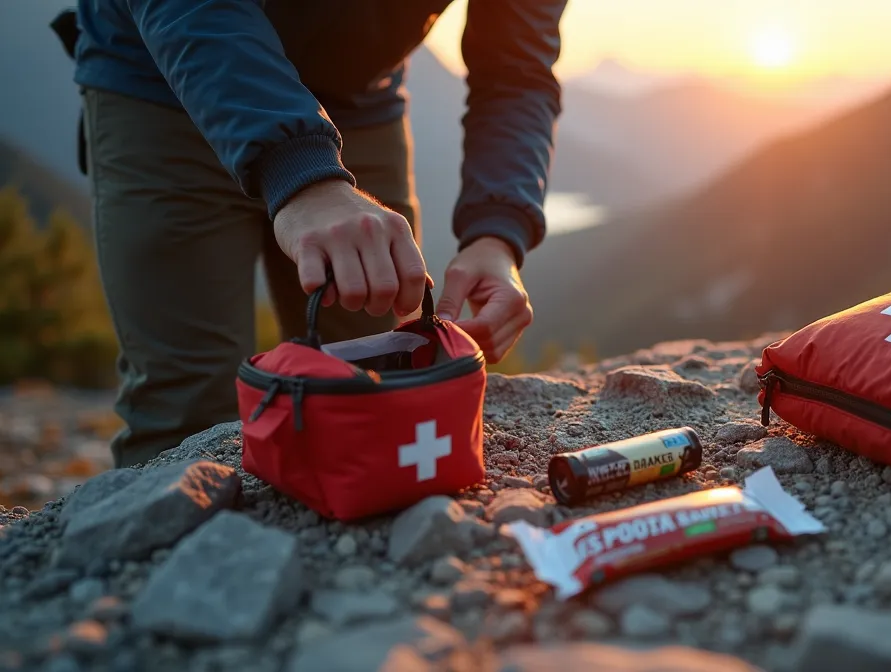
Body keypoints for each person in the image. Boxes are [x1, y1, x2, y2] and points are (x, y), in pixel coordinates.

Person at [60, 0, 567, 468]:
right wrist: (300, 170)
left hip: (357, 101)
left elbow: (515, 66)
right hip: (164, 77)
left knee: (383, 377)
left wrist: (497, 233)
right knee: (186, 412)